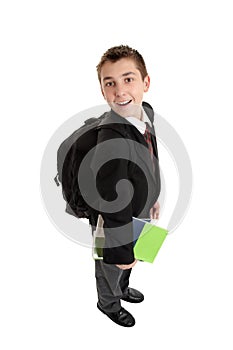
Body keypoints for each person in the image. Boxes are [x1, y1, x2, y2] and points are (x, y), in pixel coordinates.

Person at [90, 45, 161, 327]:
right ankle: (108, 302)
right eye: (110, 83)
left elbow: (150, 158)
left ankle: (122, 286)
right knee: (111, 264)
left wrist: (154, 196)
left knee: (135, 256)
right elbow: (109, 200)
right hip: (111, 220)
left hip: (138, 207)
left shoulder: (147, 114)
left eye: (128, 79)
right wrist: (118, 251)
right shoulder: (109, 139)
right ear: (103, 91)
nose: (120, 91)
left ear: (146, 82)